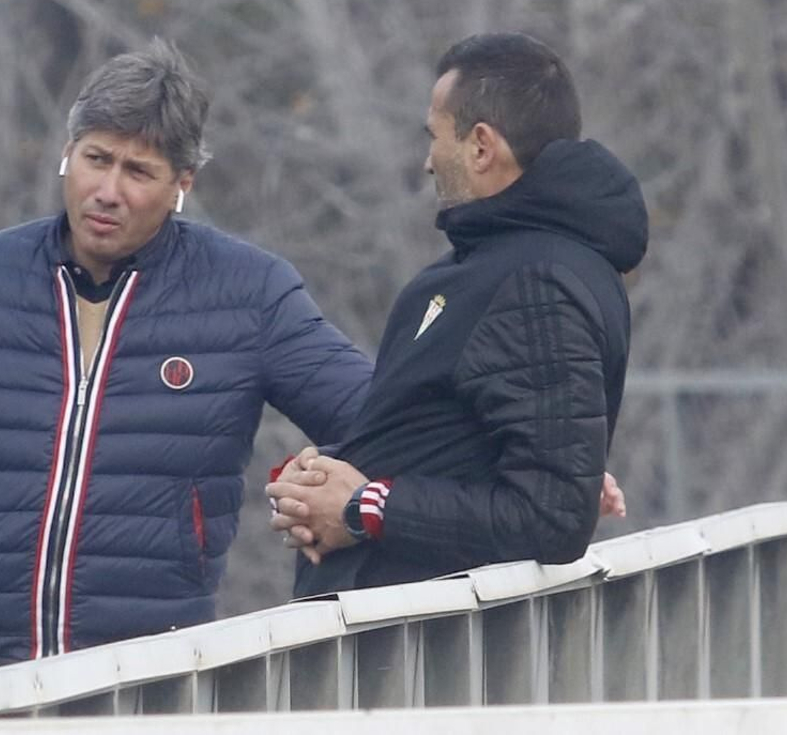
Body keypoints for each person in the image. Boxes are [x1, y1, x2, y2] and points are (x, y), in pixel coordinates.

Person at [0, 40, 375, 682]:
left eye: (138, 171)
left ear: (182, 183)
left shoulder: (249, 293)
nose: (108, 190)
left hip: (147, 680)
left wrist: (337, 496)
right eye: (95, 159)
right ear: (67, 154)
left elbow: (382, 423)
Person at [267, 32, 648, 596]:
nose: (427, 161)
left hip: (437, 662)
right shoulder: (492, 267)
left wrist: (362, 507)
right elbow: (453, 445)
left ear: (480, 146)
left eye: (435, 136)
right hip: (393, 646)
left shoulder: (536, 283)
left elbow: (550, 517)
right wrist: (322, 484)